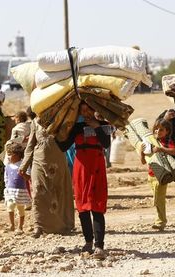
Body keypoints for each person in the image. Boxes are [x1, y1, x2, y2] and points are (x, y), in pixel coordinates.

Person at [57, 102, 111, 260]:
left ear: (95, 109)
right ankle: (88, 242)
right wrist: (54, 132)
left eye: (89, 109)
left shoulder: (102, 125)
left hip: (97, 167)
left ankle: (99, 246)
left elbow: (106, 144)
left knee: (97, 206)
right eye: (83, 110)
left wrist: (96, 127)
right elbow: (63, 146)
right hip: (81, 169)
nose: (86, 112)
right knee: (83, 206)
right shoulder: (76, 127)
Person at [18, 116, 74, 238]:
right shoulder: (34, 123)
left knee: (58, 193)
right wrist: (23, 166)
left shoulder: (61, 117)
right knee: (37, 192)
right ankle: (38, 226)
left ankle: (62, 225)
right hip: (38, 161)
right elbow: (31, 145)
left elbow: (65, 138)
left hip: (57, 162)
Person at [140, 119, 175, 231]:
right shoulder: (150, 143)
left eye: (161, 129)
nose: (158, 131)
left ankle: (161, 221)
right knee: (157, 199)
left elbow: (174, 151)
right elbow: (143, 161)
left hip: (162, 175)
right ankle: (160, 218)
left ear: (167, 131)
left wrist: (161, 149)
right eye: (156, 129)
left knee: (159, 199)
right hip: (151, 175)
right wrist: (142, 153)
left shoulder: (166, 142)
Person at [4, 142, 31, 232]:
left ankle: (20, 227)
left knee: (20, 209)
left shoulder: (23, 165)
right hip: (10, 191)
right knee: (10, 207)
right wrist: (7, 187)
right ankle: (12, 225)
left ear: (17, 155)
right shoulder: (8, 166)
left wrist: (23, 174)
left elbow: (28, 178)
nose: (8, 157)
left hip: (20, 192)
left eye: (10, 155)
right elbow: (6, 177)